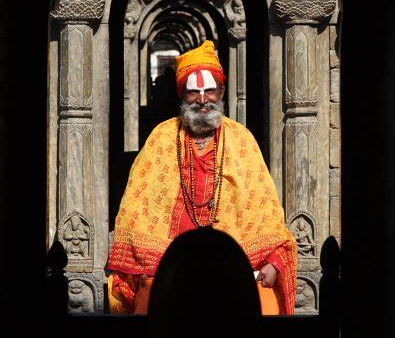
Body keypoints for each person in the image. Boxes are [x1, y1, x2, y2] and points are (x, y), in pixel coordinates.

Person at [107, 40, 297, 314]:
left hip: (234, 266)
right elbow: (137, 212)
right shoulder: (161, 138)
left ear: (221, 91)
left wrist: (274, 260)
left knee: (264, 304)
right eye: (193, 92)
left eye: (209, 91)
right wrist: (144, 265)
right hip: (169, 264)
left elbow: (266, 212)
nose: (203, 100)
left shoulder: (241, 140)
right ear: (182, 94)